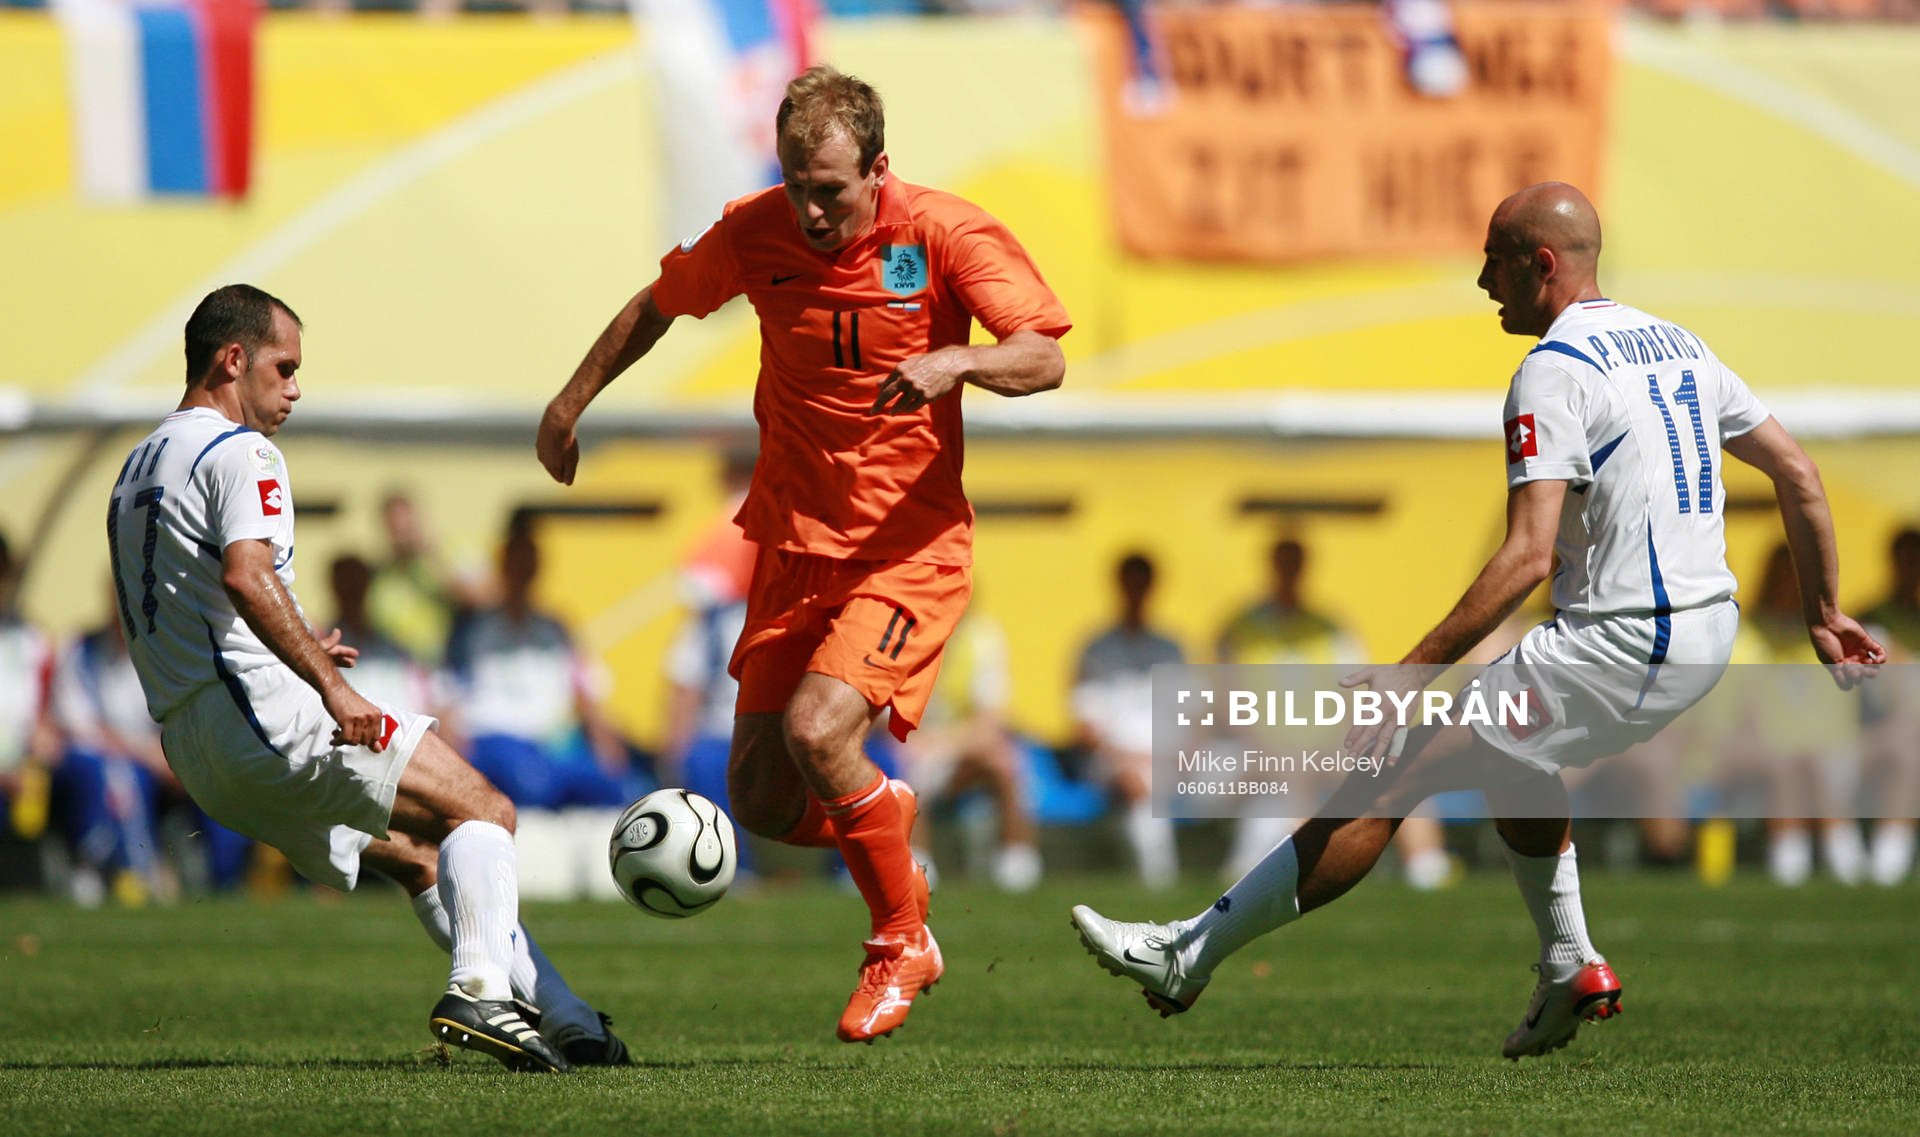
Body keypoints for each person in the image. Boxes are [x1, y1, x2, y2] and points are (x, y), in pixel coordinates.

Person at [1070, 183, 1884, 1059]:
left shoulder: (1553, 369)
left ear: (1542, 265)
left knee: (1393, 767)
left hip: (1621, 639)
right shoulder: (1681, 342)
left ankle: (1187, 954)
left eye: (1495, 257)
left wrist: (1410, 671)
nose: (1481, 278)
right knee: (1510, 754)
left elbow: (1527, 557)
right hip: (1706, 633)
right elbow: (1796, 472)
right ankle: (1570, 959)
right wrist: (1824, 609)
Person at [538, 64, 1069, 1042]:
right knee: (762, 797)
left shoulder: (943, 234)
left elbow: (1043, 352)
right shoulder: (757, 229)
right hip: (791, 546)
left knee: (822, 733)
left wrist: (961, 360)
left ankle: (900, 939)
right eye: (796, 184)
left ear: (877, 170)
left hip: (907, 548)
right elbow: (658, 303)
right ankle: (882, 815)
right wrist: (570, 403)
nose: (813, 210)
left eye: (831, 189)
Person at [111, 283, 626, 1073]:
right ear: (233, 358)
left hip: (198, 749)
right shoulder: (242, 450)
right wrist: (331, 685)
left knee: (422, 854)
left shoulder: (136, 465)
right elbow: (249, 576)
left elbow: (195, 601)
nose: (294, 388)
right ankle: (480, 988)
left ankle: (568, 1020)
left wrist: (302, 646)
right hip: (266, 718)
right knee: (482, 808)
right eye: (283, 368)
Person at [1214, 538, 1455, 889]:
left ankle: (1426, 865)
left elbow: (1354, 699)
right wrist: (1274, 749)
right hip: (1257, 753)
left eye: (1296, 562)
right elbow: (1226, 701)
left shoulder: (1330, 628)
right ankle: (1285, 874)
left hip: (1321, 749)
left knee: (1397, 761)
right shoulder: (1239, 629)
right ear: (1272, 565)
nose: (1290, 571)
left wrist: (1335, 746)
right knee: (1289, 778)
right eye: (1284, 562)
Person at [444, 523, 645, 811]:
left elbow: (585, 690)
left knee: (621, 790)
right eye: (517, 563)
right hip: (495, 741)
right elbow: (448, 696)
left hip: (554, 745)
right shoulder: (473, 630)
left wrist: (609, 754)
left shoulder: (556, 628)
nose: (523, 572)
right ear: (504, 566)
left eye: (529, 564)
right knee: (533, 782)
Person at [1072, 552, 1184, 888]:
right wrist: (1127, 759)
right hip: (1111, 762)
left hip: (1166, 760)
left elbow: (1191, 721)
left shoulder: (1171, 649)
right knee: (1136, 785)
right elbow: (1087, 731)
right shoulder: (1096, 649)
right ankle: (1160, 883)